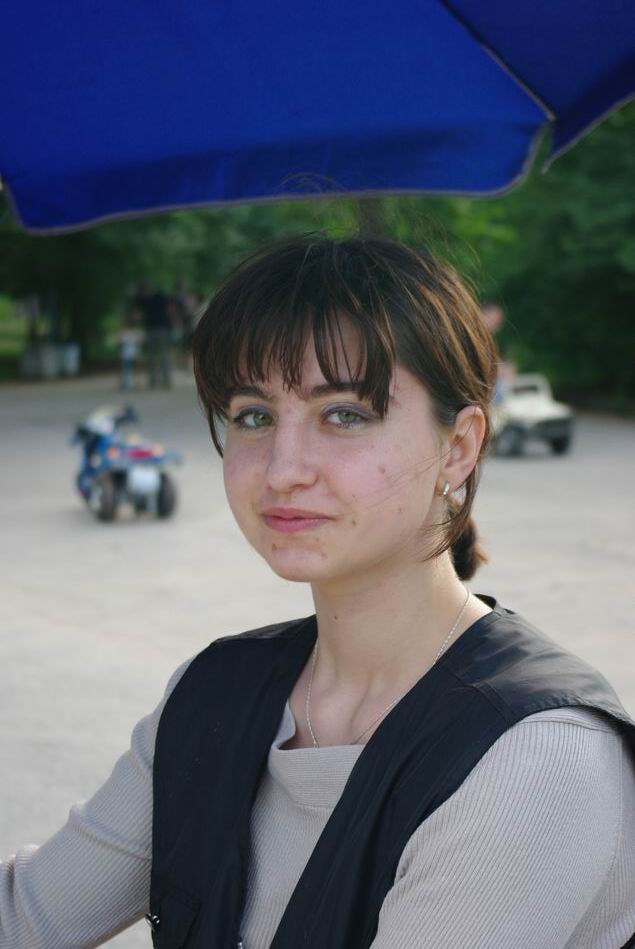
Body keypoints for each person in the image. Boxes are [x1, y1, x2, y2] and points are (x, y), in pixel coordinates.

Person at [2, 235, 635, 949]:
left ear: (458, 447)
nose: (282, 469)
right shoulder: (212, 696)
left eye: (344, 414)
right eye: (253, 415)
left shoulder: (535, 756)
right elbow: (27, 916)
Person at [131, 283, 176, 389]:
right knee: (155, 355)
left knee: (161, 355)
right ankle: (156, 380)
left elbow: (170, 309)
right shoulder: (145, 299)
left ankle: (164, 380)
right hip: (154, 329)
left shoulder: (159, 297)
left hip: (160, 328)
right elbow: (137, 313)